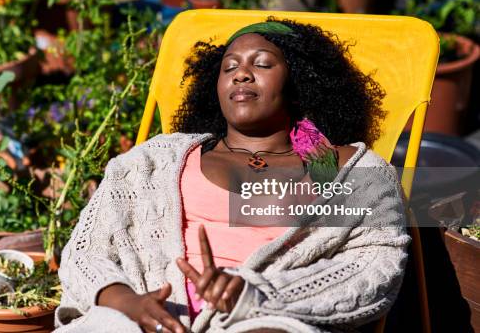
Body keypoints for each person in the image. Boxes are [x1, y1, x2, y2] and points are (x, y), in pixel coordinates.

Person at [54, 18, 410, 333]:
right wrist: (126, 302)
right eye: (230, 67)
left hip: (262, 319)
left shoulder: (346, 168)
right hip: (149, 317)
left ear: (299, 81)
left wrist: (253, 294)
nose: (242, 73)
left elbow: (374, 266)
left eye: (262, 63)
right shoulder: (155, 159)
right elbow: (86, 252)